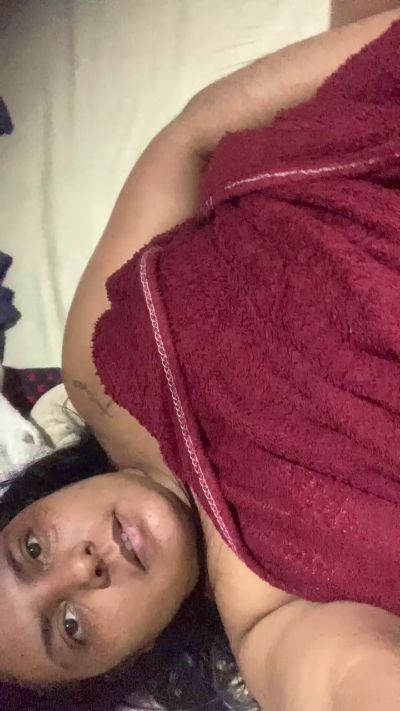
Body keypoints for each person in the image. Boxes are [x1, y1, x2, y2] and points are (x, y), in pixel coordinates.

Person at [3, 5, 400, 711]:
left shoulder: (93, 363)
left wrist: (382, 43)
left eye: (32, 550)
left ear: (34, 503)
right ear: (128, 661)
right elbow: (344, 684)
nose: (81, 568)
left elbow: (190, 139)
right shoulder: (272, 616)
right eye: (70, 626)